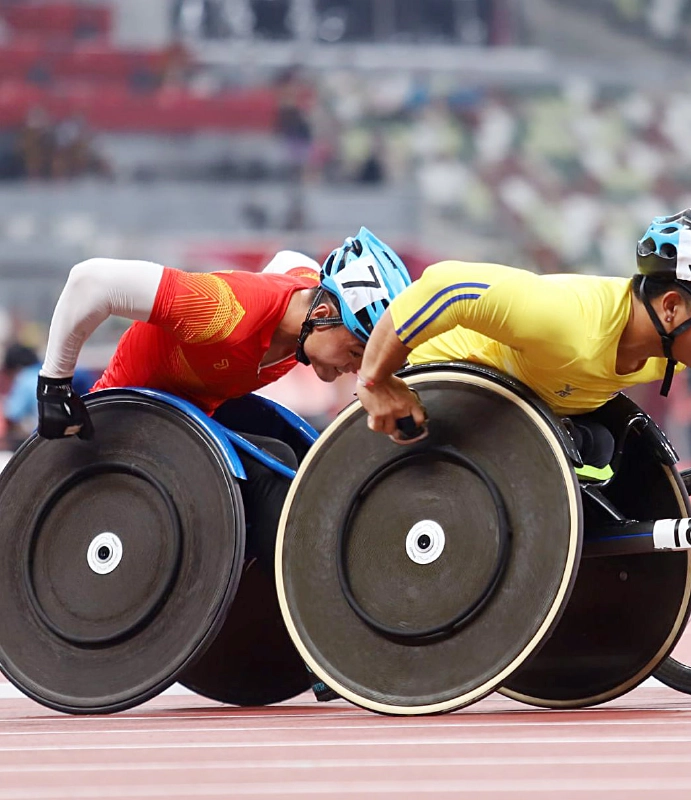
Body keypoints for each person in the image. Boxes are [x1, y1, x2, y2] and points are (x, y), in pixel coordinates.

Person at [33, 227, 412, 701]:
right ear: (321, 313)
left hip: (191, 422)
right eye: (357, 351)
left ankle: (293, 618)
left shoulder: (304, 293)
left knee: (310, 462)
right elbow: (91, 281)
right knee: (275, 472)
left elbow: (290, 260)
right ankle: (314, 643)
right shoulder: (221, 309)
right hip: (126, 436)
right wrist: (55, 383)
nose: (358, 366)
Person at [354, 207, 691, 473]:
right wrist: (376, 380)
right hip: (432, 399)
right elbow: (445, 286)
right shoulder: (565, 319)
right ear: (671, 307)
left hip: (517, 408)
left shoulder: (662, 349)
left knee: (605, 448)